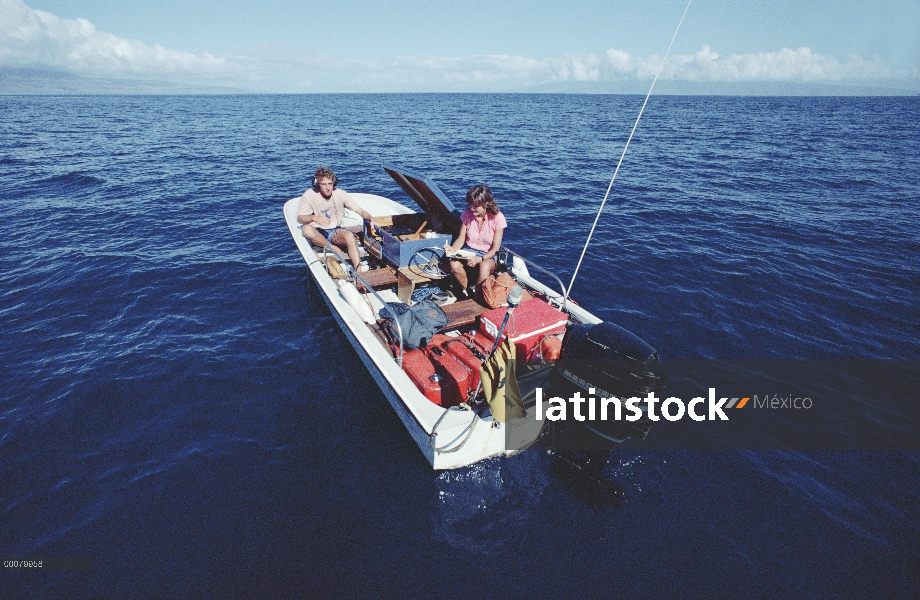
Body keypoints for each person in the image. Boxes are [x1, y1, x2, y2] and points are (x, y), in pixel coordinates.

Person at [298, 166, 378, 271]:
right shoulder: (309, 195)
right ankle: (332, 247)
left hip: (334, 232)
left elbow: (360, 211)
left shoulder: (340, 194)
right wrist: (314, 217)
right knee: (306, 229)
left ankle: (359, 272)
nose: (328, 188)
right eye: (324, 184)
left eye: (330, 184)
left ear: (334, 183)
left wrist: (371, 218)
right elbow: (300, 218)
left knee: (349, 235)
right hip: (317, 231)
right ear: (317, 184)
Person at [443, 184, 507, 298]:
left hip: (488, 256)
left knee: (484, 266)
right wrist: (452, 249)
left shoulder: (498, 218)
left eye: (475, 206)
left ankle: (478, 296)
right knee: (454, 264)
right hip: (468, 251)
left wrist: (480, 259)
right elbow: (461, 239)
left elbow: (495, 249)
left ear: (486, 204)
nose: (471, 209)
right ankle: (468, 291)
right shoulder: (467, 213)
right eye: (470, 205)